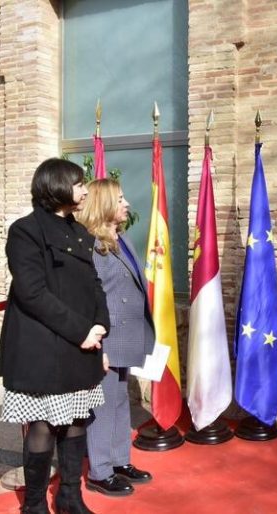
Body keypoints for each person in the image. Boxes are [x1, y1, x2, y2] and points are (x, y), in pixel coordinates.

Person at [0, 158, 109, 514]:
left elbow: (94, 286)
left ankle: (70, 497)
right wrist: (82, 331)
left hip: (82, 344)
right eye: (78, 183)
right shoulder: (25, 231)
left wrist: (101, 326)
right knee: (44, 425)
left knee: (77, 421)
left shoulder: (81, 232)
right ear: (56, 185)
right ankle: (33, 506)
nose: (85, 190)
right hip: (43, 346)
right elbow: (31, 292)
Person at [76, 179, 154, 497]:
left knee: (121, 401)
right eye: (120, 199)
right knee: (104, 406)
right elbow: (85, 299)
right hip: (106, 339)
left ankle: (119, 461)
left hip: (126, 335)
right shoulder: (89, 246)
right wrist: (97, 346)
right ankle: (99, 471)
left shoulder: (120, 240)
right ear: (105, 204)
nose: (127, 204)